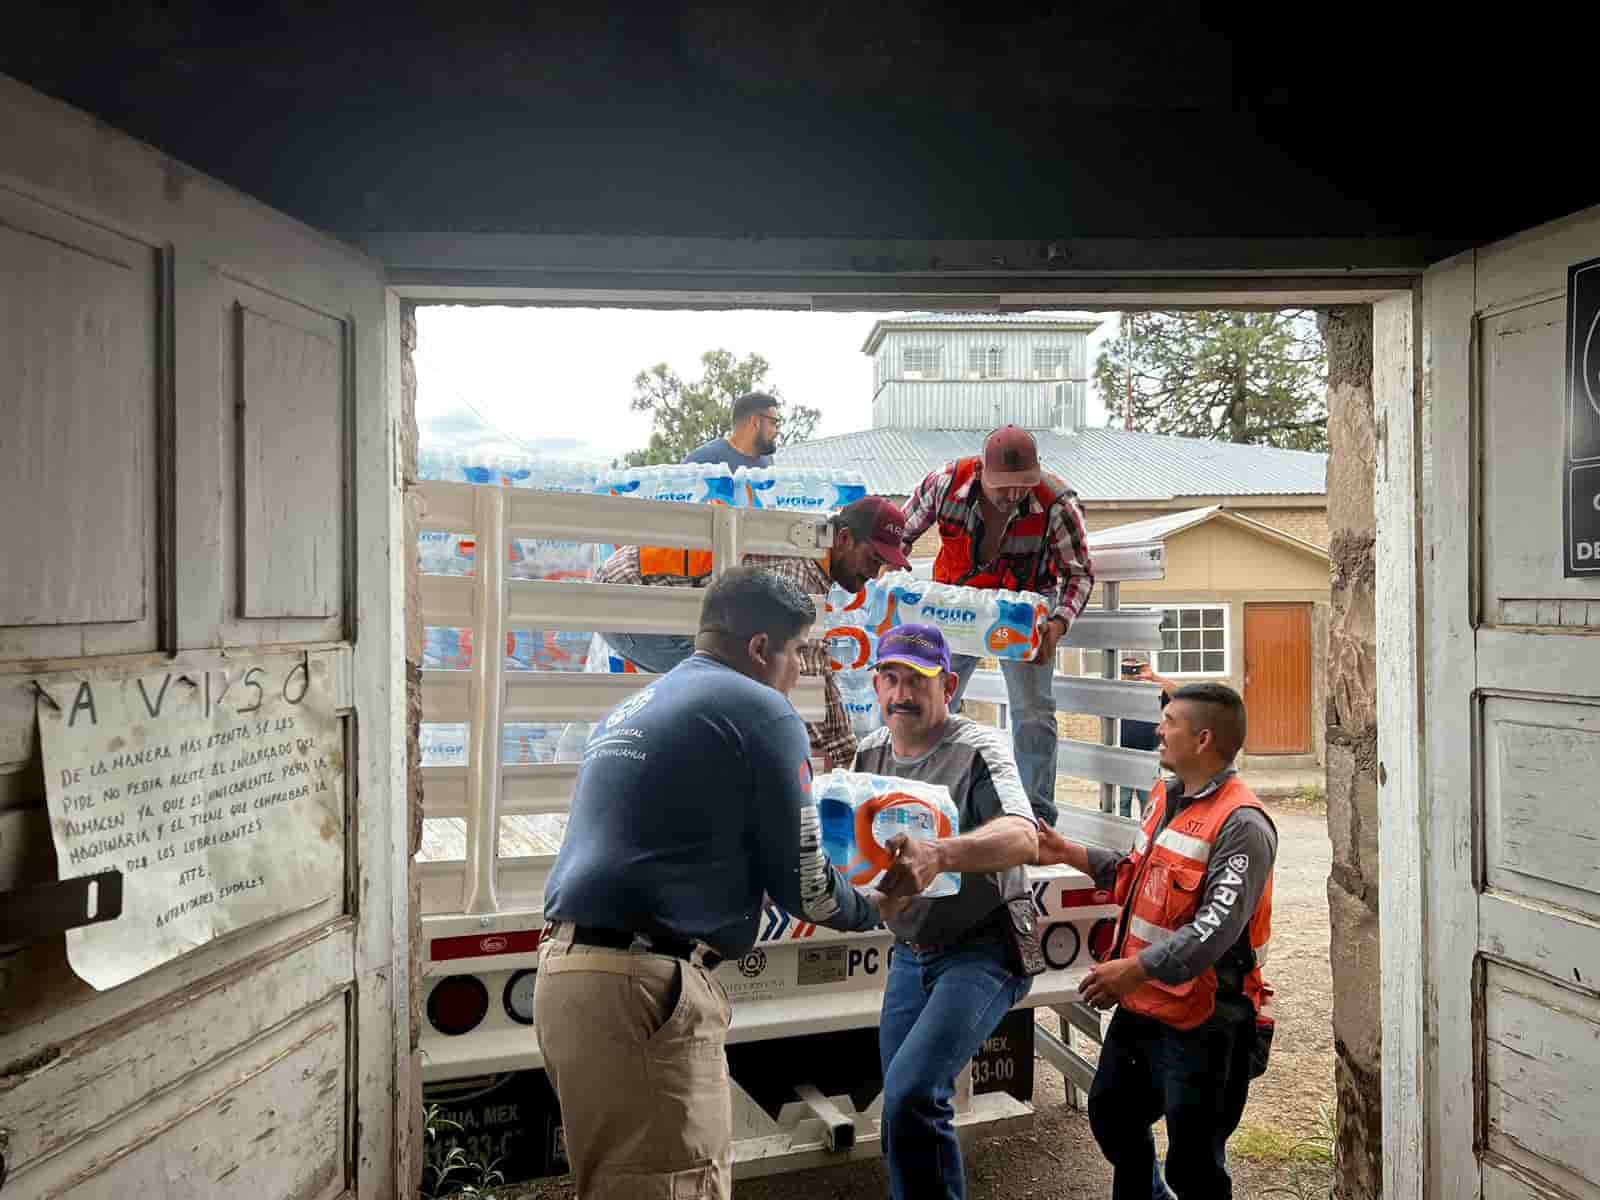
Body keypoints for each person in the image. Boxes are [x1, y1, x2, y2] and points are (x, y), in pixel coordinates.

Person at [536, 568, 883, 1199]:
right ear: (759, 649)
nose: (801, 674)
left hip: (570, 975)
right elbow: (806, 885)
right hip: (641, 987)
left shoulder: (641, 702)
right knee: (675, 1185)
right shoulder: (761, 709)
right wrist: (879, 906)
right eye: (798, 654)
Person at [1036, 683, 1277, 1200]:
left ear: (1203, 738)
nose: (1158, 731)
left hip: (1206, 1021)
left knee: (1194, 1166)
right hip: (1145, 1007)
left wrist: (1133, 970)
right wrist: (1066, 851)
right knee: (1112, 1116)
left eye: (1169, 722)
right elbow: (1135, 874)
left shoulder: (1243, 825)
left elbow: (1213, 931)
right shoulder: (1166, 795)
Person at [852, 623, 1041, 1200]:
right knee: (901, 1108)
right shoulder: (869, 753)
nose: (901, 694)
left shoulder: (977, 748)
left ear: (949, 686)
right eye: (891, 678)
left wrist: (941, 854)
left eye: (918, 681)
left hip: (985, 948)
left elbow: (1022, 837)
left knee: (913, 1092)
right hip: (912, 951)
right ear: (876, 683)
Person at [596, 496, 913, 768]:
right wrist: (823, 757)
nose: (874, 573)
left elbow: (816, 669)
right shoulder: (799, 570)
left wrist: (844, 758)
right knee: (742, 678)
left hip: (644, 597)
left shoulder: (813, 555)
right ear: (844, 539)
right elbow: (801, 679)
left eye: (882, 564)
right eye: (873, 558)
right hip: (628, 599)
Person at [899, 425, 1094, 827]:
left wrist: (1057, 625)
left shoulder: (1058, 503)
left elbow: (1079, 574)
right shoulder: (944, 483)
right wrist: (893, 586)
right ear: (982, 473)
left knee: (1034, 712)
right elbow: (899, 535)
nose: (1013, 495)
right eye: (1003, 487)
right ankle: (924, 801)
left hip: (1022, 617)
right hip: (957, 608)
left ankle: (1033, 818)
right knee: (934, 700)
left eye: (1024, 484)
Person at [1116, 662, 1179, 819]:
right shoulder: (1114, 694)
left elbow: (1178, 695)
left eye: (1134, 670)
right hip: (1120, 756)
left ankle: (1147, 839)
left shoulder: (1152, 693)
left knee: (1150, 805)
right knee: (1121, 804)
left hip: (1147, 756)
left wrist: (1154, 677)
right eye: (1126, 670)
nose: (1131, 674)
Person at [682, 390, 783, 467]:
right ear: (755, 422)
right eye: (773, 423)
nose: (777, 431)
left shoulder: (768, 463)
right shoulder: (701, 462)